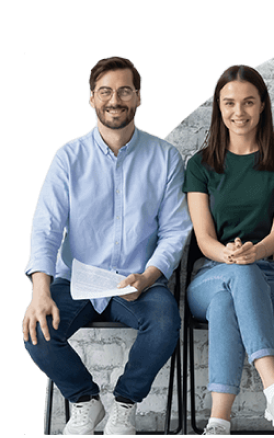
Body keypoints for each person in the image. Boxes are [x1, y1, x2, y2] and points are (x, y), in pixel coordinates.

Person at [22, 56, 191, 435]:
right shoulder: (68, 157)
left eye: (124, 91)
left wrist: (147, 278)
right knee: (36, 330)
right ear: (91, 98)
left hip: (138, 282)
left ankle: (125, 405)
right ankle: (85, 401)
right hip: (76, 282)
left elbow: (176, 231)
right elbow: (46, 227)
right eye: (106, 92)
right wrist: (40, 290)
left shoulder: (164, 157)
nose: (115, 100)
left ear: (139, 98)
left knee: (165, 324)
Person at [183, 64, 274, 435]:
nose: (239, 112)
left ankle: (219, 421)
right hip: (211, 273)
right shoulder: (200, 165)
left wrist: (254, 252)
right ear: (218, 107)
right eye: (230, 103)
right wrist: (233, 256)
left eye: (249, 102)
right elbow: (204, 239)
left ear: (263, 105)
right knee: (233, 278)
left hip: (270, 281)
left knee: (227, 301)